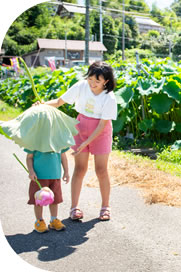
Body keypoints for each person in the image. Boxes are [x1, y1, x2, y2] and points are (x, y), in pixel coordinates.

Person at [39, 61, 117, 221]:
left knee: (101, 170)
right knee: (80, 169)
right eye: (90, 79)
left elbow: (102, 124)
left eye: (97, 81)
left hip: (100, 132)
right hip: (81, 127)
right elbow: (59, 102)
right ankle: (74, 208)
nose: (92, 84)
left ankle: (105, 207)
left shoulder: (109, 98)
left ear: (106, 81)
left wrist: (86, 142)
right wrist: (42, 105)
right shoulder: (81, 86)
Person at [26, 148, 69, 233]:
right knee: (38, 200)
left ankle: (54, 219)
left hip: (55, 176)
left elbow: (63, 155)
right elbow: (29, 157)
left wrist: (66, 171)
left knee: (55, 200)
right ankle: (39, 221)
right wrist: (31, 171)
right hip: (39, 177)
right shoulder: (35, 140)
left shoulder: (58, 139)